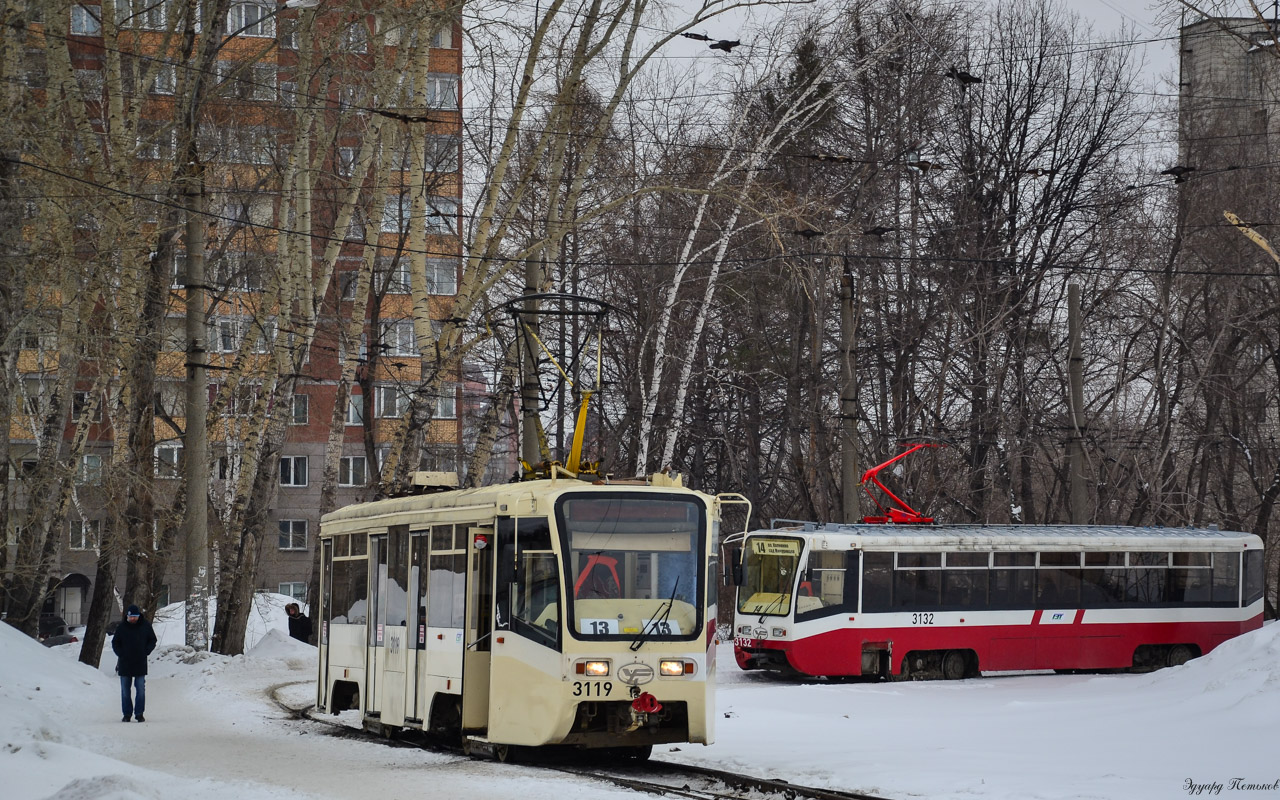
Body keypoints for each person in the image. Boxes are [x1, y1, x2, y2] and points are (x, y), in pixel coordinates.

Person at [111, 605, 157, 723]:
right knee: (125, 690)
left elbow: (153, 640)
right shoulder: (122, 627)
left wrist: (146, 651)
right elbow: (115, 642)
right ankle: (127, 714)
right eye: (131, 617)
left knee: (140, 689)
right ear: (127, 616)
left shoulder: (145, 626)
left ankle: (139, 713)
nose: (133, 619)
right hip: (125, 663)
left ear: (138, 616)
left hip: (140, 663)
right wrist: (120, 653)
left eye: (135, 617)